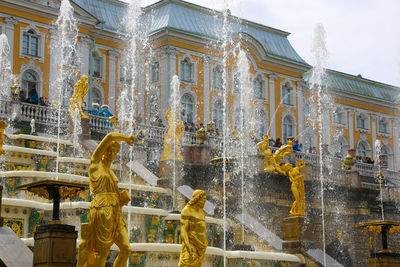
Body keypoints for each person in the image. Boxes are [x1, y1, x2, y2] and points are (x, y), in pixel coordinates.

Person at [77, 133, 135, 267]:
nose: (112, 154)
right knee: (102, 252)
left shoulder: (112, 172)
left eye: (114, 152)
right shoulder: (95, 164)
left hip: (116, 212)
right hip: (102, 209)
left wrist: (122, 199)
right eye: (109, 150)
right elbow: (109, 137)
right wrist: (126, 138)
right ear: (103, 151)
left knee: (126, 249)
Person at [179, 190, 208, 267]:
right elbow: (183, 230)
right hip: (191, 242)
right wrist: (187, 244)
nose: (205, 202)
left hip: (201, 244)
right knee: (186, 263)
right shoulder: (187, 210)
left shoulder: (202, 212)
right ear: (197, 199)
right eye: (203, 199)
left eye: (205, 199)